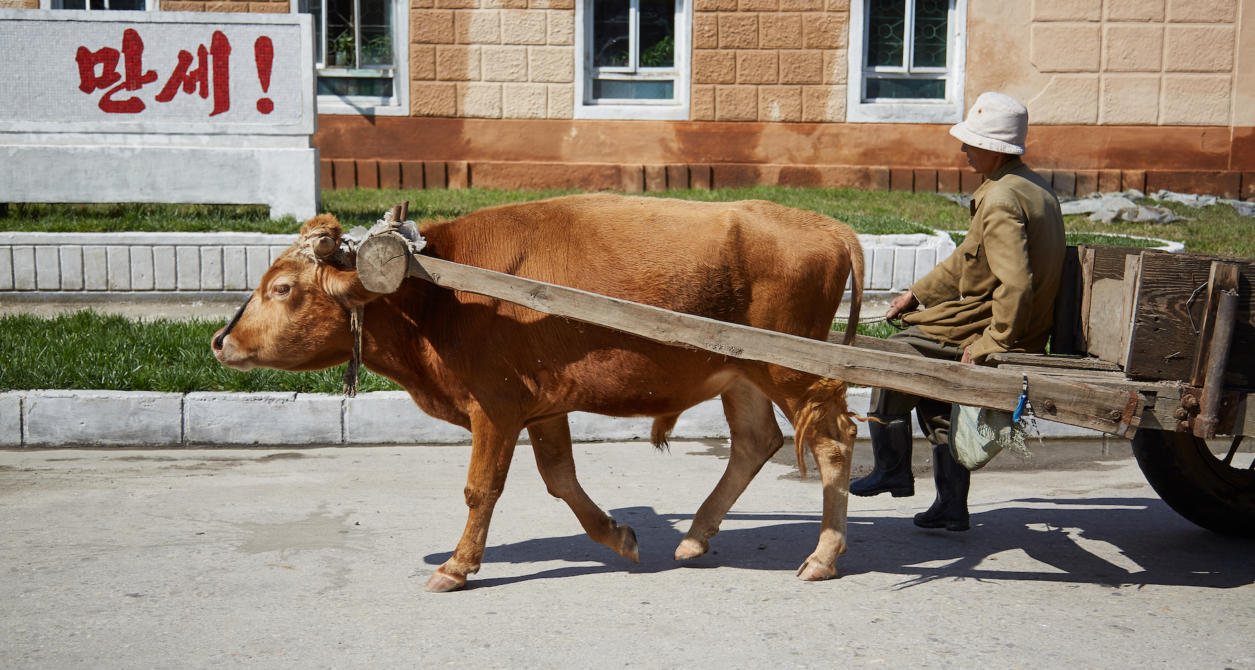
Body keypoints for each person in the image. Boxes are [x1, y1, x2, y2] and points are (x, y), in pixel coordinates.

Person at [849, 92, 1066, 531]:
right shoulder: (1029, 186)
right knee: (933, 393)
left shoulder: (1002, 200)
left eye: (971, 142)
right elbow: (967, 258)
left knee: (895, 356)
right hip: (1013, 318)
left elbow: (1016, 283)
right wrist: (916, 295)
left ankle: (891, 467)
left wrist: (993, 343)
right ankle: (951, 507)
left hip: (1006, 326)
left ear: (994, 148)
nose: (963, 149)